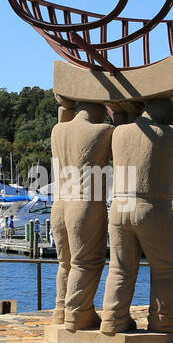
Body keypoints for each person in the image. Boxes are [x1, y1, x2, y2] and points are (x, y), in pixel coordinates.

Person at [101, 85, 173, 334]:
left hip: (118, 207)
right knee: (166, 269)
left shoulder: (119, 133)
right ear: (168, 119)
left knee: (120, 268)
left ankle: (113, 321)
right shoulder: (164, 134)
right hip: (151, 206)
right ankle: (163, 322)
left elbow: (126, 118)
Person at [49, 99, 114, 330]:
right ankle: (78, 314)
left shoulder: (58, 130)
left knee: (64, 263)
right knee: (86, 263)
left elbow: (64, 117)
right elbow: (128, 140)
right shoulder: (104, 131)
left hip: (59, 204)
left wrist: (65, 105)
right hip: (83, 204)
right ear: (101, 112)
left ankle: (61, 311)